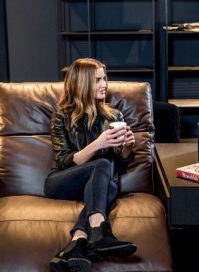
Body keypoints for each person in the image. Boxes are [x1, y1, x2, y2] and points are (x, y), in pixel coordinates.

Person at [44, 58, 137, 272]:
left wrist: (127, 147)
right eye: (98, 80)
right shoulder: (61, 116)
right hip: (62, 182)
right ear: (83, 83)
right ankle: (100, 231)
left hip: (100, 185)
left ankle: (77, 242)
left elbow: (120, 164)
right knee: (102, 164)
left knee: (109, 182)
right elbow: (64, 161)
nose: (104, 84)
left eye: (104, 78)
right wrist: (98, 144)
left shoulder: (114, 116)